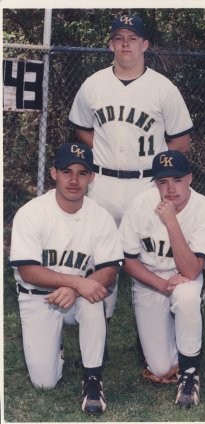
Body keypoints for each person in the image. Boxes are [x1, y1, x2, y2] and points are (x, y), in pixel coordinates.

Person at [68, 14, 194, 327]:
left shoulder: (163, 88)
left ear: (145, 44)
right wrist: (104, 149)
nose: (126, 44)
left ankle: (156, 322)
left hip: (145, 183)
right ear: (111, 44)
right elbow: (81, 127)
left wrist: (158, 167)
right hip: (102, 182)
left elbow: (180, 141)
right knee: (98, 253)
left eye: (133, 38)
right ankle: (99, 320)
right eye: (119, 38)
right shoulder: (93, 84)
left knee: (153, 254)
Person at [9, 142, 123, 415]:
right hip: (38, 297)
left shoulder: (100, 216)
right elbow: (28, 271)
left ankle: (93, 378)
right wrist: (77, 282)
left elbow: (110, 269)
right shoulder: (32, 212)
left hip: (80, 296)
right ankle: (55, 345)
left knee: (93, 300)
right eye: (66, 171)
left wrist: (77, 288)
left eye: (82, 173)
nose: (74, 180)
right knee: (44, 382)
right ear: (54, 174)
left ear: (91, 177)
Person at [119, 150, 205, 408]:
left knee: (186, 298)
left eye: (177, 180)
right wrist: (162, 285)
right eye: (163, 181)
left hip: (185, 276)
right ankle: (165, 333)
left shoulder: (204, 208)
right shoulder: (140, 204)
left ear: (190, 179)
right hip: (149, 279)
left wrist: (172, 222)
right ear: (155, 183)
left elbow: (192, 270)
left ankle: (190, 372)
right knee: (161, 368)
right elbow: (127, 260)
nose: (171, 188)